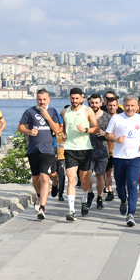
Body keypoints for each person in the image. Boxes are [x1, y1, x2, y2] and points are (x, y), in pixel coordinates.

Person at [18, 89, 62, 220]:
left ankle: (42, 208)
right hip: (33, 150)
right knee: (35, 177)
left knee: (44, 177)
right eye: (39, 100)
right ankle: (38, 195)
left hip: (48, 150)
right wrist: (29, 132)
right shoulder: (29, 111)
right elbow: (20, 127)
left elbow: (58, 130)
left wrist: (47, 117)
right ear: (36, 99)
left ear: (48, 99)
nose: (42, 102)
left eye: (44, 99)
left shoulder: (53, 112)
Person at [106, 95, 140, 227]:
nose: (130, 108)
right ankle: (123, 201)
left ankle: (131, 214)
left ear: (137, 107)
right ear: (123, 106)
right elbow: (107, 134)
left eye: (132, 106)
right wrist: (116, 139)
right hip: (119, 157)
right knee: (120, 186)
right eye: (127, 105)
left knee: (132, 184)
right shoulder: (116, 118)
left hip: (135, 158)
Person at [61, 88, 99, 221]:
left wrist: (86, 129)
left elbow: (97, 128)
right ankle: (71, 211)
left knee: (84, 179)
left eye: (77, 98)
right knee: (71, 179)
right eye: (72, 98)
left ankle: (84, 200)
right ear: (69, 98)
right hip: (70, 149)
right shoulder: (64, 112)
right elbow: (65, 127)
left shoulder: (87, 110)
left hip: (85, 149)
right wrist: (64, 134)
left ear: (82, 99)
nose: (75, 101)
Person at [87, 94, 111, 210]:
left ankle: (100, 197)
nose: (94, 105)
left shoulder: (107, 117)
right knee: (87, 174)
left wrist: (104, 133)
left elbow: (113, 135)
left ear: (101, 103)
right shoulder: (85, 116)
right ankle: (90, 193)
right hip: (87, 150)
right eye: (92, 103)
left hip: (102, 151)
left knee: (100, 176)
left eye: (96, 103)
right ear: (89, 103)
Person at [104, 97, 120, 201]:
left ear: (117, 106)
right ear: (107, 106)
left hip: (118, 149)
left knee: (118, 172)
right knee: (108, 172)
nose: (112, 107)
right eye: (110, 105)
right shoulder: (103, 118)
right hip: (105, 149)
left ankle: (120, 188)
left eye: (114, 105)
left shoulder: (121, 118)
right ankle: (110, 190)